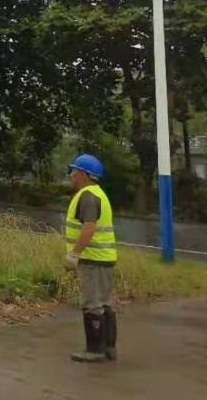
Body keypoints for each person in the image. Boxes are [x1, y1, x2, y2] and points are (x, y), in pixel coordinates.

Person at [63, 154, 117, 363]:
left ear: (84, 174)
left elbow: (89, 226)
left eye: (74, 171)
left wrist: (74, 253)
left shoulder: (87, 196)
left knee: (92, 304)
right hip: (104, 258)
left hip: (93, 259)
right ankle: (108, 348)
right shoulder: (98, 194)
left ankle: (95, 350)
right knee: (104, 303)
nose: (71, 175)